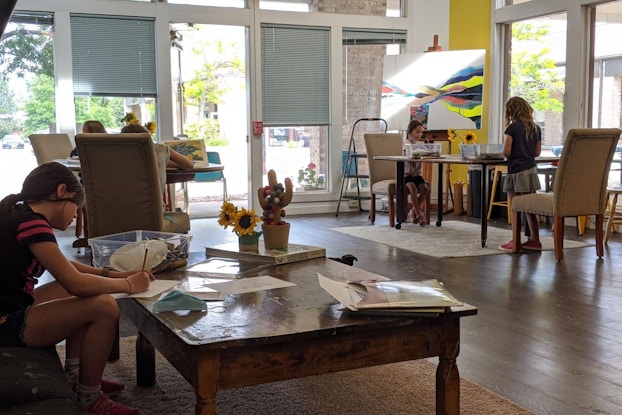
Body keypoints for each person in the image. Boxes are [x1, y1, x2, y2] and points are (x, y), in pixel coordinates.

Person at [0, 162, 154, 414]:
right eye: (76, 207)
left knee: (86, 291)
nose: (75, 215)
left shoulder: (21, 215)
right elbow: (75, 283)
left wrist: (111, 274)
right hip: (6, 324)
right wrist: (127, 284)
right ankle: (90, 398)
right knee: (103, 306)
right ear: (61, 191)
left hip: (12, 309)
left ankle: (76, 377)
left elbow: (63, 266)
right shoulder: (33, 223)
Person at [499, 96, 542, 252]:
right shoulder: (536, 128)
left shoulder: (512, 128)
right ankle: (535, 240)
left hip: (516, 171)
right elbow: (537, 153)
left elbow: (507, 151)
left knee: (515, 207)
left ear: (511, 111)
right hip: (530, 171)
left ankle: (516, 240)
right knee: (529, 207)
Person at [403, 119, 430, 226]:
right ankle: (418, 213)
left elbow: (426, 152)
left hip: (416, 174)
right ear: (410, 132)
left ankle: (413, 210)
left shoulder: (419, 144)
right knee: (413, 188)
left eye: (421, 132)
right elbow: (407, 151)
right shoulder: (406, 143)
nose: (419, 134)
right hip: (406, 174)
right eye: (417, 132)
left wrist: (428, 151)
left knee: (425, 189)